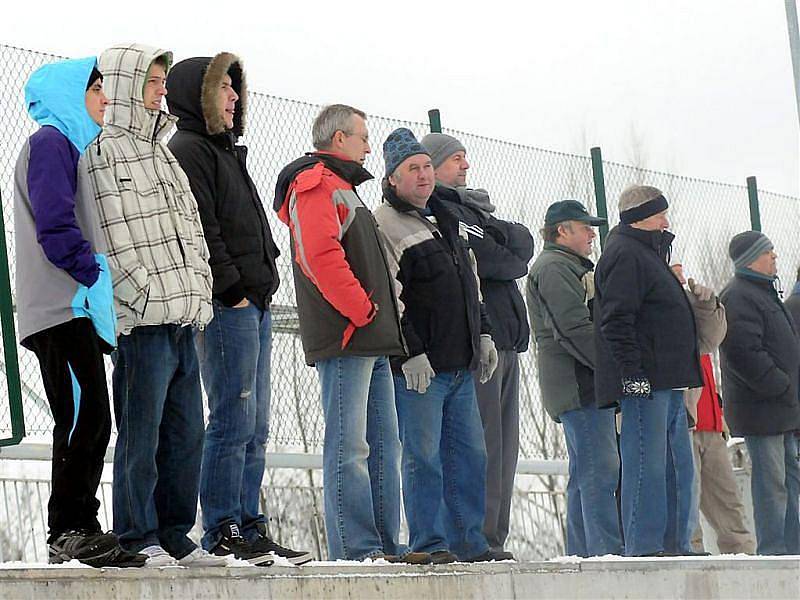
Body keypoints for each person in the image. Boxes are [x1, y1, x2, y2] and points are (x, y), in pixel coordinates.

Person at [166, 52, 310, 566]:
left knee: (256, 422)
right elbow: (203, 228)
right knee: (231, 416)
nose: (234, 97)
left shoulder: (226, 150)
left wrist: (261, 283)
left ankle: (250, 524)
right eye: (223, 88)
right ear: (199, 95)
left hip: (256, 302)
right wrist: (231, 290)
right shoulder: (188, 149)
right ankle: (222, 526)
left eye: (235, 88)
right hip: (229, 307)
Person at [86, 44, 225, 567]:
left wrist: (198, 292)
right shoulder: (104, 152)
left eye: (164, 80)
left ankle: (174, 534)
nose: (161, 89)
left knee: (187, 432)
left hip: (184, 318)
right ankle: (136, 533)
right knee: (140, 435)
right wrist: (144, 294)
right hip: (142, 323)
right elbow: (111, 239)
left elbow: (191, 231)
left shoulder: (164, 153)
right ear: (124, 84)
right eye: (152, 80)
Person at [274, 106, 427, 564]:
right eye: (362, 136)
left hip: (372, 337)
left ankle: (384, 544)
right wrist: (361, 309)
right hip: (349, 335)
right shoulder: (316, 183)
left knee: (384, 443)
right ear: (339, 138)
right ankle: (356, 548)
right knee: (350, 444)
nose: (367, 145)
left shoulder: (344, 188)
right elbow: (319, 255)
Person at [15, 56, 144, 567]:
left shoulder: (69, 148)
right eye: (95, 90)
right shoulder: (50, 143)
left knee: (91, 415)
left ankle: (80, 525)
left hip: (72, 306)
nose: (105, 100)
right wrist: (91, 272)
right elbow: (54, 224)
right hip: (59, 306)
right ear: (72, 95)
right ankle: (67, 529)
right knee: (82, 417)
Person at [374, 127, 499, 563]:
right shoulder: (385, 223)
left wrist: (483, 332)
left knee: (470, 456)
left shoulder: (446, 219)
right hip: (421, 369)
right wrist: (410, 351)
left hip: (461, 363)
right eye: (413, 168)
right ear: (392, 178)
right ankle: (428, 542)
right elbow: (390, 294)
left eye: (427, 166)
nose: (424, 175)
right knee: (423, 457)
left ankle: (469, 542)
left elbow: (472, 284)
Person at [421, 133, 533, 558]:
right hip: (478, 343)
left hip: (507, 341)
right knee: (480, 444)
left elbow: (520, 243)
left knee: (506, 447)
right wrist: (504, 253)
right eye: (455, 159)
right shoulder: (442, 210)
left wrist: (503, 249)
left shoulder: (476, 210)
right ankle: (475, 536)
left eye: (465, 157)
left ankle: (493, 536)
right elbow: (491, 258)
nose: (465, 165)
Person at [593, 185, 703, 557]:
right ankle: (644, 545)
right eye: (660, 215)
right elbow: (616, 319)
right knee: (646, 462)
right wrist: (631, 372)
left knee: (673, 465)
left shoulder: (647, 253)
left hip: (667, 380)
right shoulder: (626, 254)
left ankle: (673, 543)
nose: (666, 222)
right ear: (640, 218)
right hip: (646, 380)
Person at [526, 200, 623, 557]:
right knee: (599, 470)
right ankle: (604, 555)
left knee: (588, 473)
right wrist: (615, 369)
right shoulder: (553, 267)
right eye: (585, 228)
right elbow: (572, 328)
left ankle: (587, 553)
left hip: (581, 382)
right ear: (562, 230)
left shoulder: (567, 266)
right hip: (578, 384)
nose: (592, 235)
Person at [719, 231, 800, 555]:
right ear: (752, 257)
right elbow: (744, 352)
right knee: (771, 484)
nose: (775, 257)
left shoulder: (764, 293)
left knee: (789, 480)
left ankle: (792, 547)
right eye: (769, 252)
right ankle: (774, 550)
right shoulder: (738, 296)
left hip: (780, 408)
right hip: (762, 409)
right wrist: (779, 384)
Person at [670, 261, 755, 555]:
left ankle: (744, 561)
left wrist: (705, 304)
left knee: (730, 505)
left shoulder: (691, 312)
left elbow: (713, 337)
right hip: (685, 424)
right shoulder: (659, 307)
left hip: (711, 423)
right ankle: (691, 561)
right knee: (687, 504)